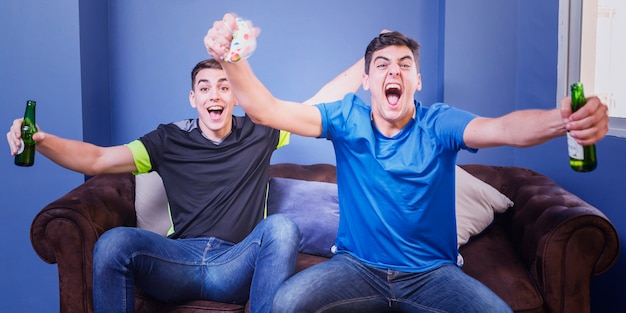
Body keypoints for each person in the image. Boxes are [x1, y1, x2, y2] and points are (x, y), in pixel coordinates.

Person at [203, 13, 610, 313]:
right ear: (367, 81)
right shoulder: (347, 118)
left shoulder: (440, 123)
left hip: (433, 274)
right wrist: (232, 58)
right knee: (286, 303)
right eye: (381, 65)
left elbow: (504, 128)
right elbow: (265, 109)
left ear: (417, 81)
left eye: (404, 65)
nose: (392, 71)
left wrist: (565, 120)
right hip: (355, 268)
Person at [6, 58, 363, 313]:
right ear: (194, 98)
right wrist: (42, 140)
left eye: (225, 87)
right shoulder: (168, 139)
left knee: (282, 228)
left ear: (236, 97)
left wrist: (370, 62)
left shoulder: (261, 131)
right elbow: (98, 160)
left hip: (235, 263)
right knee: (115, 242)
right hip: (177, 261)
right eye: (205, 88)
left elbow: (318, 102)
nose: (215, 96)